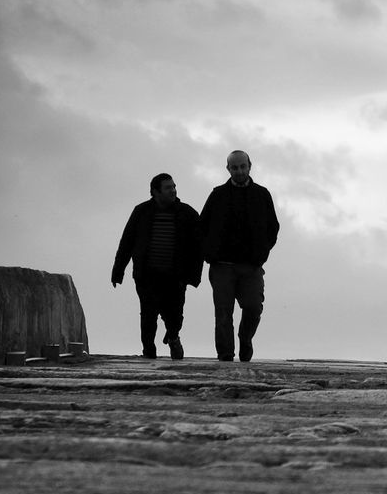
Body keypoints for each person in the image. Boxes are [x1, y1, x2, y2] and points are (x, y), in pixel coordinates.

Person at [112, 173, 202, 360]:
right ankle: (148, 352)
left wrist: (193, 276)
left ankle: (173, 337)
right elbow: (127, 241)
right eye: (168, 188)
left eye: (174, 186)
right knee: (148, 314)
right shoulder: (141, 212)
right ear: (155, 192)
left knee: (175, 316)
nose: (173, 190)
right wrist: (118, 270)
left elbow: (199, 246)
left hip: (175, 276)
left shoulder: (188, 213)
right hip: (147, 274)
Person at [200, 150, 279, 362]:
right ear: (228, 169)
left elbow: (273, 227)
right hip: (222, 266)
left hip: (251, 266)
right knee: (223, 315)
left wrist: (261, 253)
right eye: (234, 167)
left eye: (242, 166)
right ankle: (225, 357)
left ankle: (245, 339)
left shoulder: (262, 195)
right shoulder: (218, 195)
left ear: (249, 166)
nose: (239, 171)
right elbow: (203, 226)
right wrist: (210, 254)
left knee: (253, 308)